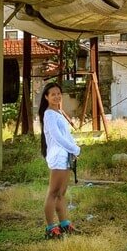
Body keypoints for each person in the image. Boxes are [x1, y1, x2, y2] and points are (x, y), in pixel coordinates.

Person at [38, 81, 81, 239]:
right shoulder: (49, 114)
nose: (56, 96)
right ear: (46, 97)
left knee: (61, 193)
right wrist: (75, 149)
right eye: (52, 94)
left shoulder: (59, 113)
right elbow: (56, 137)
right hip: (57, 157)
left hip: (66, 156)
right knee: (53, 193)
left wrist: (73, 150)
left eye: (58, 93)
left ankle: (64, 225)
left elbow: (66, 136)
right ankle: (50, 229)